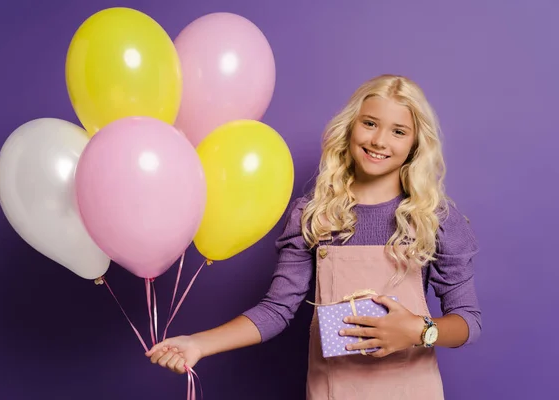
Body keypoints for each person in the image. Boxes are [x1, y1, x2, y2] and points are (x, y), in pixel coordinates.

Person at [145, 74, 481, 399]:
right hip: (333, 390)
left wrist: (419, 330)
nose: (379, 140)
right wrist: (199, 344)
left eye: (398, 131)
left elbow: (467, 320)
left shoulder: (434, 219)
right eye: (369, 123)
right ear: (350, 127)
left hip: (412, 390)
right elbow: (276, 310)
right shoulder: (312, 215)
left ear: (414, 145)